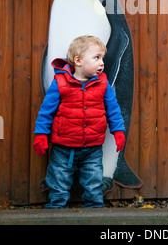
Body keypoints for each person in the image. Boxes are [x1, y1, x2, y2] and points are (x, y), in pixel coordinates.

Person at [33, 35, 125, 208]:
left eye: (102, 58)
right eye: (96, 58)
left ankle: (94, 210)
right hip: (63, 147)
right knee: (58, 181)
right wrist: (41, 135)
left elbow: (113, 109)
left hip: (92, 147)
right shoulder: (60, 83)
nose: (102, 63)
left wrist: (118, 131)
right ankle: (56, 210)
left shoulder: (103, 84)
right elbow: (46, 111)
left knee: (93, 182)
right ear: (79, 60)